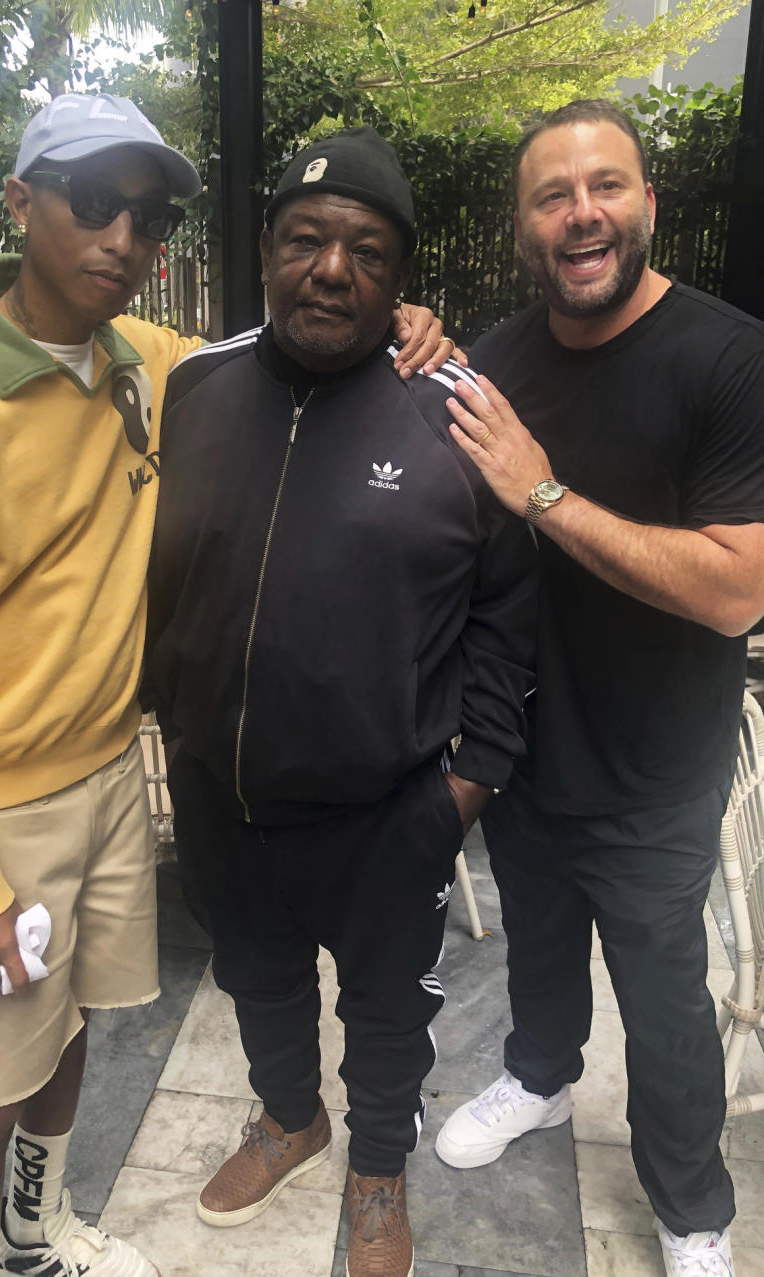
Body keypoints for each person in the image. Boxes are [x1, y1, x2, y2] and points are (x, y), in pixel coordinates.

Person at [0, 95, 457, 1277]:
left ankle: (41, 1231)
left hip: (117, 775)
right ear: (20, 202)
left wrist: (404, 322)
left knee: (66, 1035)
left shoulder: (154, 366)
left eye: (148, 214)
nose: (123, 236)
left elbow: (292, 353)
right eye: (92, 200)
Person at [144, 127, 537, 1277]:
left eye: (367, 251)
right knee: (256, 976)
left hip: (387, 811)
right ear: (265, 249)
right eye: (307, 239)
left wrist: (466, 783)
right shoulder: (194, 385)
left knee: (387, 1011)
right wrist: (178, 714)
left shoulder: (456, 410)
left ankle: (375, 1168)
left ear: (401, 280)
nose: (332, 268)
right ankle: (287, 1116)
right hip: (223, 791)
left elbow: (511, 619)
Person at [433, 99, 764, 1277]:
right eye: (553, 195)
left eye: (606, 187)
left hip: (657, 769)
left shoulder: (727, 357)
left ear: (646, 206)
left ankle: (691, 1210)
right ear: (524, 226)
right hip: (525, 746)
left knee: (666, 1002)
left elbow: (737, 590)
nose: (583, 214)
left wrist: (544, 491)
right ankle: (539, 1077)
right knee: (537, 943)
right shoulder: (495, 358)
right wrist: (412, 336)